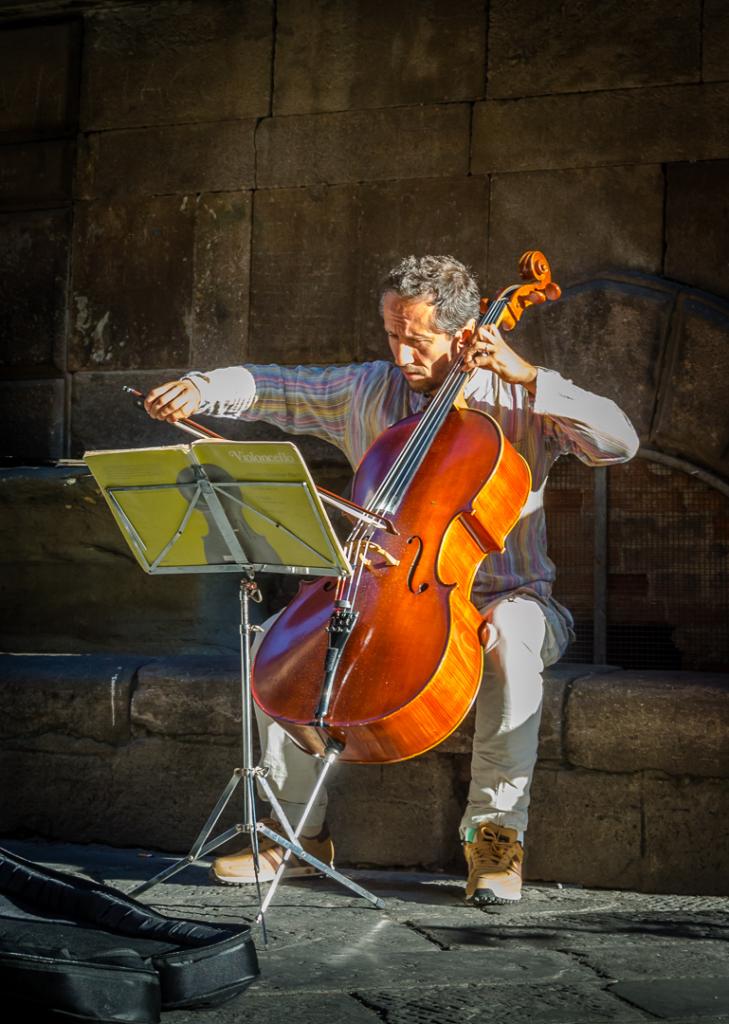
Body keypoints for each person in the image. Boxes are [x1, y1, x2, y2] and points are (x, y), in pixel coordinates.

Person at [145, 255, 638, 905]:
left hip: (510, 595)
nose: (401, 353)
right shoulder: (365, 391)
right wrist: (202, 387)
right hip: (389, 590)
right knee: (278, 641)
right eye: (391, 335)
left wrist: (530, 375)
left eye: (417, 340)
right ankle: (292, 834)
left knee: (508, 638)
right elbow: (273, 387)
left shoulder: (517, 397)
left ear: (465, 338)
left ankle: (494, 839)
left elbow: (619, 441)